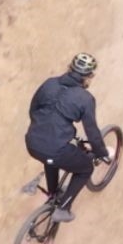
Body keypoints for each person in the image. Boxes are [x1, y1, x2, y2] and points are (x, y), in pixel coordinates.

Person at [25, 52, 109, 223]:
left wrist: (44, 128)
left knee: (50, 157)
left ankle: (53, 192)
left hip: (32, 142)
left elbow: (33, 109)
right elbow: (92, 132)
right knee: (85, 168)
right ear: (89, 76)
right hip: (55, 149)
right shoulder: (85, 99)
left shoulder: (49, 84)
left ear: (69, 68)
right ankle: (63, 209)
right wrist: (101, 152)